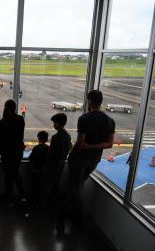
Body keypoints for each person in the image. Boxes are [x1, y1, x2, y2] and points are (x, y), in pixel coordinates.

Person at [67, 90, 115, 222]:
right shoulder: (110, 121)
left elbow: (80, 143)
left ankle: (77, 216)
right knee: (79, 184)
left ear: (90, 101)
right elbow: (109, 144)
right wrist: (92, 147)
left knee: (74, 188)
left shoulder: (84, 119)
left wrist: (72, 155)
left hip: (80, 159)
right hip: (94, 160)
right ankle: (73, 213)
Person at [0, 99, 25, 205]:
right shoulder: (21, 120)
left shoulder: (3, 121)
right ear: (15, 108)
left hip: (6, 153)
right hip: (17, 152)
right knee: (16, 173)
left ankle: (9, 198)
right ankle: (22, 195)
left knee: (8, 176)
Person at [44, 113, 72, 206]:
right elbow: (69, 148)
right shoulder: (68, 136)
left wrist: (46, 164)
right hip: (61, 164)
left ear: (59, 124)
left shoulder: (55, 138)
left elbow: (51, 154)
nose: (54, 125)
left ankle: (44, 204)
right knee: (56, 183)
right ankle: (54, 203)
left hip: (53, 165)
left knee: (47, 184)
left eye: (55, 123)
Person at [28, 131, 49, 208]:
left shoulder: (36, 148)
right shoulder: (48, 148)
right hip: (43, 172)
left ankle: (35, 203)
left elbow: (30, 158)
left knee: (34, 187)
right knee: (42, 188)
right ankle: (41, 203)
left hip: (35, 170)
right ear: (46, 139)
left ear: (38, 138)